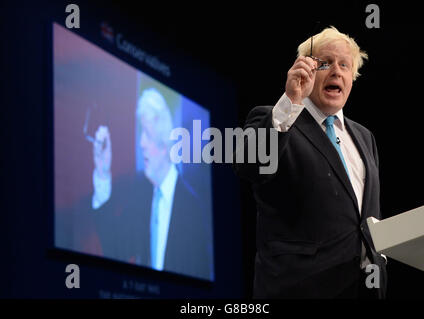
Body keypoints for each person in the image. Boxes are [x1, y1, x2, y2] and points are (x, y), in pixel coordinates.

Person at [234, 26, 387, 298]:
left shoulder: (365, 138)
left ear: (352, 76)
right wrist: (291, 101)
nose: (336, 71)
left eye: (344, 65)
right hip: (300, 288)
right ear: (306, 69)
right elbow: (249, 164)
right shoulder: (276, 118)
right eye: (325, 63)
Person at [90, 88, 213, 281]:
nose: (141, 143)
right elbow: (115, 248)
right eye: (141, 133)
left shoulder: (193, 208)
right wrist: (103, 172)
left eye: (146, 134)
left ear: (165, 144)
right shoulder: (141, 193)